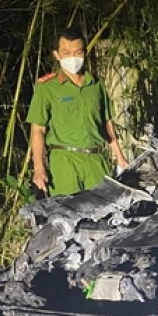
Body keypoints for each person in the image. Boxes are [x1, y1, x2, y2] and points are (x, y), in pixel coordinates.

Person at [26, 28, 128, 196]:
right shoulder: (48, 88)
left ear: (85, 53)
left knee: (102, 207)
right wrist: (39, 168)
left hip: (95, 159)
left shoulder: (96, 85)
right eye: (66, 53)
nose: (72, 58)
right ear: (56, 55)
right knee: (68, 208)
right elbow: (38, 129)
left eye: (77, 52)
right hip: (64, 161)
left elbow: (106, 123)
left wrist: (120, 157)